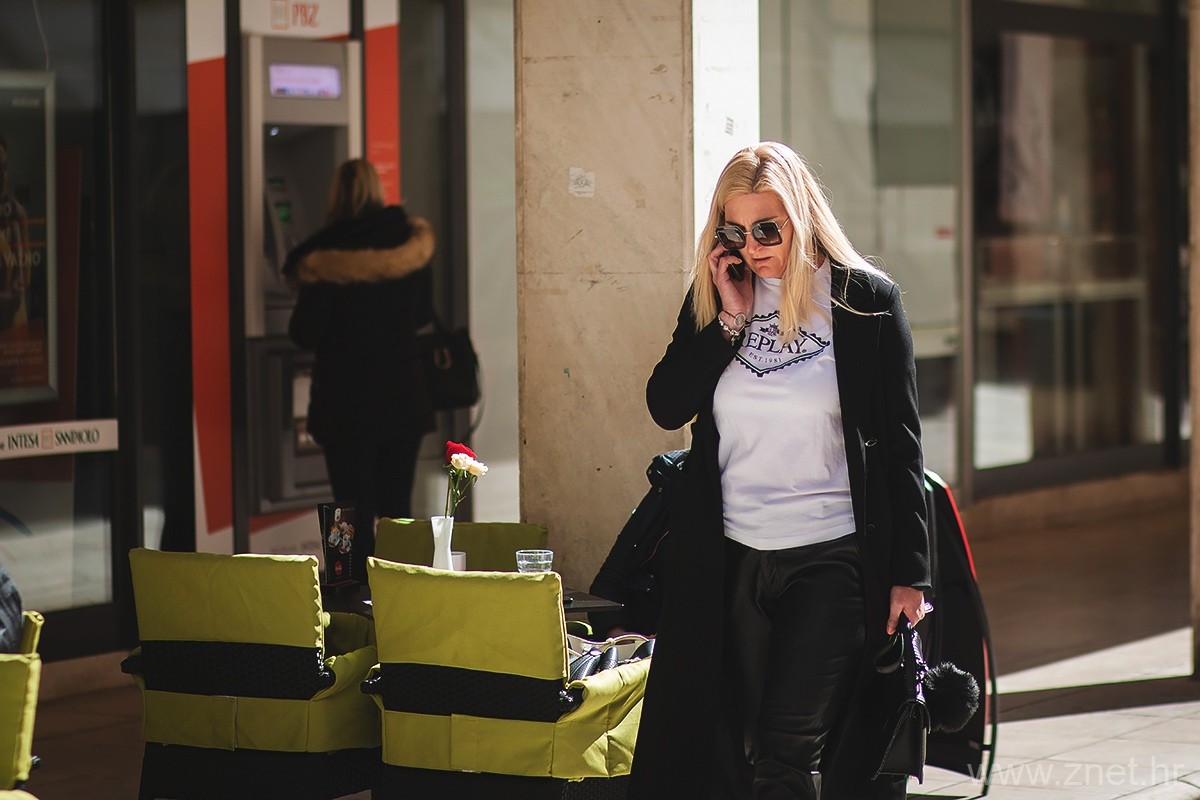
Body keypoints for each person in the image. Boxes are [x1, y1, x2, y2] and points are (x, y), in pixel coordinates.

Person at [629, 142, 930, 800]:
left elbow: (902, 444)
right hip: (731, 558)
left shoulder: (865, 302)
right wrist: (729, 320)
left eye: (768, 228)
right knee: (734, 748)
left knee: (785, 751)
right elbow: (666, 404)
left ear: (802, 217)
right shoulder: (715, 300)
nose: (754, 246)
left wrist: (911, 572)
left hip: (832, 557)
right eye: (735, 231)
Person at [286, 159, 436, 580]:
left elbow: (304, 331)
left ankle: (346, 594)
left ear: (336, 195)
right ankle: (400, 592)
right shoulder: (409, 246)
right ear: (377, 190)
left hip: (345, 404)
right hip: (402, 398)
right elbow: (424, 314)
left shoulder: (327, 257)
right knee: (396, 510)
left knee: (346, 515)